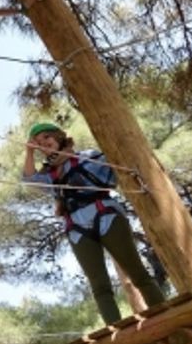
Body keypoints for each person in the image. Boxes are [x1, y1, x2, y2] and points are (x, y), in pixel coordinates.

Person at [22, 121, 168, 324]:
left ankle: (165, 316)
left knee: (137, 272)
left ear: (58, 137)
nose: (43, 144)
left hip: (105, 214)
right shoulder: (50, 175)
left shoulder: (89, 157)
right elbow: (29, 180)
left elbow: (118, 167)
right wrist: (29, 152)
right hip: (76, 226)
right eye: (38, 143)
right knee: (99, 285)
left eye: (46, 137)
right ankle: (117, 333)